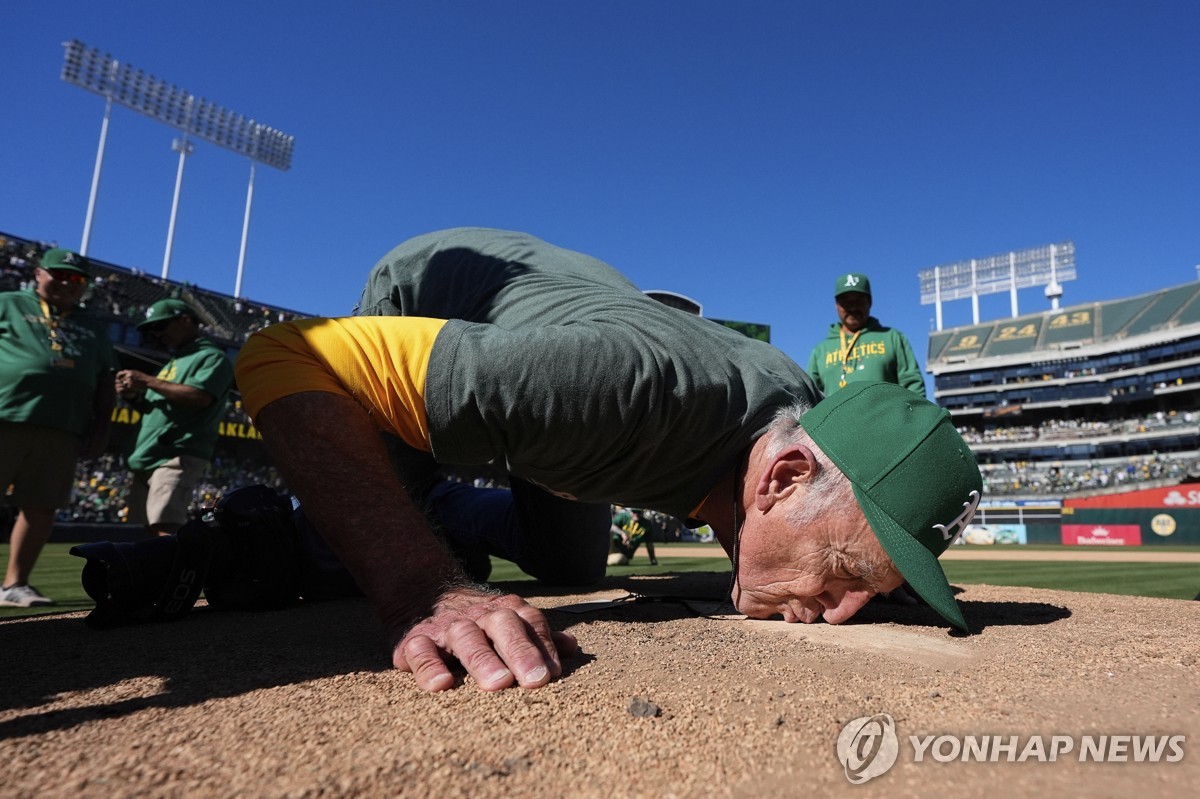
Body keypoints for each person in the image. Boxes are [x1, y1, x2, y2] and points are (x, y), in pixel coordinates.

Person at [233, 227, 981, 692]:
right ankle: (419, 520)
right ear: (782, 476)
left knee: (572, 565)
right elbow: (282, 354)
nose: (846, 610)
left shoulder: (803, 418)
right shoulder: (618, 392)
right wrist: (421, 588)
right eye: (849, 573)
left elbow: (810, 490)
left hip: (576, 352)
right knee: (359, 550)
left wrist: (878, 559)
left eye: (865, 586)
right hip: (433, 296)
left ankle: (455, 516)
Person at [0, 248, 115, 607]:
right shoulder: (8, 303)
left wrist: (101, 429)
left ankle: (14, 585)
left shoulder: (93, 326)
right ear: (38, 274)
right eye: (59, 274)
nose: (67, 282)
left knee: (42, 506)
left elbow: (105, 381)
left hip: (63, 427)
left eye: (76, 278)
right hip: (5, 415)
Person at [116, 299, 235, 536]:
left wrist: (147, 380)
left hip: (176, 453)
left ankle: (177, 574)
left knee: (165, 526)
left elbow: (200, 396)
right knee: (144, 531)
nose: (157, 334)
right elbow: (156, 409)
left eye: (161, 326)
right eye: (152, 329)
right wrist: (132, 396)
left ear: (186, 320)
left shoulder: (212, 357)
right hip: (149, 454)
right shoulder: (174, 362)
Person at [806, 272, 927, 397]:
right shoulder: (819, 351)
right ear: (837, 305)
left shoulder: (892, 337)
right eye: (845, 303)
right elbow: (810, 396)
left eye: (858, 301)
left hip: (885, 416)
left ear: (869, 302)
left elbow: (913, 384)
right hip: (837, 417)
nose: (852, 308)